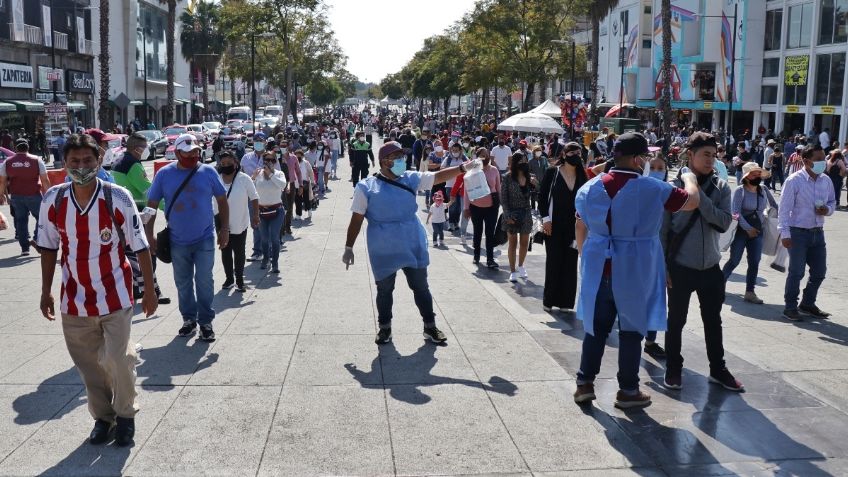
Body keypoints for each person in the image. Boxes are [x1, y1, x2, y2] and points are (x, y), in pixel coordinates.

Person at [37, 133, 157, 447]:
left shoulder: (116, 197)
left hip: (116, 296)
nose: (81, 166)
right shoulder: (54, 199)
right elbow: (49, 249)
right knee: (90, 368)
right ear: (63, 163)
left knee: (118, 359)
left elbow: (140, 245)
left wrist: (150, 291)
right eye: (74, 161)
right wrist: (46, 290)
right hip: (74, 302)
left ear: (99, 160)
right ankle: (103, 419)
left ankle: (126, 416)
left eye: (87, 160)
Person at [573, 132, 699, 409]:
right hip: (634, 268)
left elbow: (580, 222)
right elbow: (691, 201)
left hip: (599, 267)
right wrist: (689, 177)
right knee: (631, 330)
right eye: (644, 156)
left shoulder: (590, 187)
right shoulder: (652, 188)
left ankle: (584, 383)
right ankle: (628, 390)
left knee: (596, 328)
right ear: (636, 158)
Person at [342, 141, 470, 345]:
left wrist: (463, 168)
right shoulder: (366, 187)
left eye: (403, 156)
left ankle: (430, 326)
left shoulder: (410, 178)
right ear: (384, 162)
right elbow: (356, 220)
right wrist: (348, 248)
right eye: (397, 157)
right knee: (384, 291)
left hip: (412, 242)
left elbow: (438, 176)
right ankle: (385, 328)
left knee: (421, 287)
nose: (402, 160)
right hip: (383, 248)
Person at [662, 132, 743, 392]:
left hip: (710, 267)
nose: (711, 159)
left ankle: (718, 369)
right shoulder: (671, 187)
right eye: (705, 154)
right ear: (690, 155)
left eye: (713, 154)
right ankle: (674, 367)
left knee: (713, 319)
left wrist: (696, 193)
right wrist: (663, 266)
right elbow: (662, 231)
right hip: (680, 266)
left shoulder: (721, 187)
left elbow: (722, 222)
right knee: (676, 320)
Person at [145, 134, 229, 342]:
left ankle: (206, 322)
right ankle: (189, 319)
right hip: (177, 240)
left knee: (204, 281)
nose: (192, 155)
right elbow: (151, 206)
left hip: (204, 238)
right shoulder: (164, 174)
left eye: (195, 152)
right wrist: (148, 235)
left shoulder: (208, 171)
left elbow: (222, 200)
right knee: (182, 282)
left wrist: (225, 229)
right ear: (177, 152)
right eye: (188, 152)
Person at [778, 144, 836, 321]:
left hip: (818, 233)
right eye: (818, 159)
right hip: (798, 233)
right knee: (797, 272)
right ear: (806, 160)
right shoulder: (794, 180)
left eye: (824, 158)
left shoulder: (826, 180)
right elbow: (783, 209)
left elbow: (833, 202)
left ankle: (808, 303)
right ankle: (790, 307)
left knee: (819, 272)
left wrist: (827, 210)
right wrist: (785, 234)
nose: (823, 162)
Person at [111, 132, 169, 304]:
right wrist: (168, 207)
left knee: (130, 255)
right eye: (145, 147)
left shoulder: (118, 160)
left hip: (121, 213)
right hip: (137, 213)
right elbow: (148, 191)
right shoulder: (134, 165)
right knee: (147, 253)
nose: (146, 150)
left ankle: (136, 289)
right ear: (137, 149)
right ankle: (151, 291)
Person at [722, 163, 779, 304]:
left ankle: (750, 292)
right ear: (747, 177)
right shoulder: (740, 191)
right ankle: (719, 285)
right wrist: (748, 228)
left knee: (754, 262)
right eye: (754, 174)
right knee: (734, 260)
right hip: (741, 232)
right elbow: (735, 212)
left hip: (758, 231)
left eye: (759, 174)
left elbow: (775, 206)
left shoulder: (764, 190)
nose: (757, 177)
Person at [538, 142, 586, 312]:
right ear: (564, 155)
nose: (576, 155)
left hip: (575, 227)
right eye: (572, 152)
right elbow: (542, 197)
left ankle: (566, 302)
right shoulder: (553, 172)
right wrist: (545, 219)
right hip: (554, 225)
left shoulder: (582, 175)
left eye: (579, 152)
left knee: (570, 263)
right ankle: (549, 300)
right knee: (554, 261)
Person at [0, 138, 51, 255]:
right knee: (42, 218)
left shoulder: (7, 162)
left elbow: (2, 181)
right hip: (34, 195)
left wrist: (1, 194)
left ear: (16, 148)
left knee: (21, 221)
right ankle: (36, 239)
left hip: (16, 196)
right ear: (28, 147)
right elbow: (45, 180)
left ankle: (25, 249)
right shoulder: (37, 160)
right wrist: (49, 194)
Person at [217, 151, 259, 291]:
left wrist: (256, 216)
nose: (226, 166)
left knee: (239, 252)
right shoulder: (216, 179)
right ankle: (229, 279)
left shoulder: (244, 179)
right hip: (221, 222)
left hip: (240, 222)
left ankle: (239, 280)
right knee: (225, 251)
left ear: (236, 164)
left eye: (229, 163)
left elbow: (254, 197)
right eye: (223, 164)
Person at [464, 147, 502, 268]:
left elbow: (498, 188)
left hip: (491, 207)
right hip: (476, 207)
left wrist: (501, 205)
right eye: (482, 155)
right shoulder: (472, 171)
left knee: (490, 233)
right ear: (477, 156)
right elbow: (467, 191)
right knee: (477, 232)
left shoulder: (494, 170)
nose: (484, 157)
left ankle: (490, 259)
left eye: (486, 155)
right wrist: (466, 207)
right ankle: (476, 256)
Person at [501, 152, 534, 282]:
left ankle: (521, 265)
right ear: (515, 163)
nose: (524, 163)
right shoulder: (507, 177)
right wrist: (507, 215)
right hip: (512, 213)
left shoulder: (530, 177)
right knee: (513, 243)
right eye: (521, 161)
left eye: (525, 160)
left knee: (525, 242)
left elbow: (538, 192)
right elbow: (504, 199)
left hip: (526, 212)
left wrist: (534, 183)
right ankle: (512, 270)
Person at [252, 151, 287, 273]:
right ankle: (266, 258)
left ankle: (275, 262)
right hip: (262, 211)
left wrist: (271, 174)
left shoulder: (279, 173)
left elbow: (283, 185)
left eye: (272, 160)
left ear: (275, 162)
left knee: (274, 237)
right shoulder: (258, 174)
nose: (269, 162)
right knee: (264, 238)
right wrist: (253, 177)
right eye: (266, 160)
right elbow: (250, 191)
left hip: (276, 210)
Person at [241, 133, 268, 260]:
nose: (258, 143)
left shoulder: (270, 157)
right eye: (256, 141)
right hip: (251, 196)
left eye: (260, 141)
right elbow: (240, 176)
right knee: (255, 222)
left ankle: (269, 249)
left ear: (265, 142)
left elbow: (279, 174)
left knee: (268, 223)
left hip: (267, 195)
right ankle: (257, 251)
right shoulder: (246, 158)